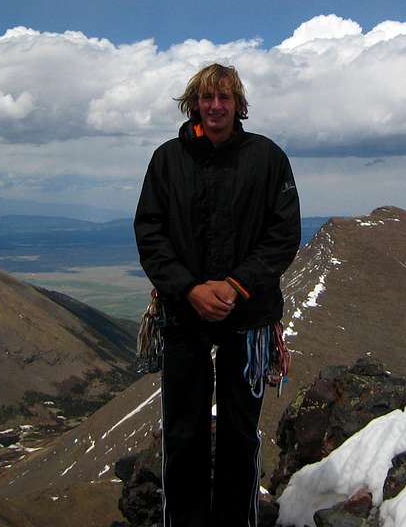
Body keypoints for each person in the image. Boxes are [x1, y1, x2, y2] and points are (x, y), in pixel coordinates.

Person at [134, 63, 301, 527]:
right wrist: (189, 289)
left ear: (237, 105)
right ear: (194, 104)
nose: (216, 107)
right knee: (183, 432)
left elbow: (283, 234)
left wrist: (233, 285)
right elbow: (150, 232)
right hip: (184, 316)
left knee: (239, 432)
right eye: (207, 98)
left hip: (247, 318)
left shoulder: (267, 158)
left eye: (224, 98)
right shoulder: (167, 160)